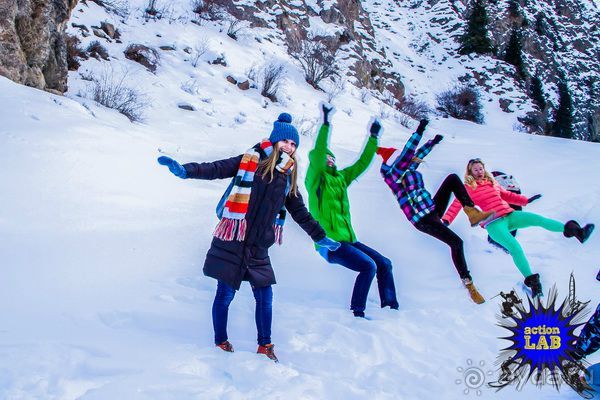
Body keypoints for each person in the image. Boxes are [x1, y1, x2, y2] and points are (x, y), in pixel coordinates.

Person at [157, 113, 340, 362]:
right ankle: (220, 342)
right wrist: (186, 171)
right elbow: (217, 168)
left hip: (258, 246)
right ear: (275, 141)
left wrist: (320, 236)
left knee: (265, 297)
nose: (290, 147)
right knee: (225, 294)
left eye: (294, 144)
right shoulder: (250, 160)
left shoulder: (288, 176)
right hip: (233, 239)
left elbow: (300, 213)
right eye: (286, 141)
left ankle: (265, 346)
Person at [376, 119, 494, 304]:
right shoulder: (393, 175)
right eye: (403, 160)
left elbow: (416, 155)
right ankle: (469, 284)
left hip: (432, 208)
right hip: (422, 219)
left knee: (452, 179)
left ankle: (472, 212)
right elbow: (409, 152)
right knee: (456, 243)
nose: (409, 161)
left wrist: (433, 142)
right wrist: (420, 130)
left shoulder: (406, 169)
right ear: (396, 161)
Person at [442, 158, 594, 298]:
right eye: (475, 169)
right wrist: (446, 220)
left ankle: (576, 232)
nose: (479, 172)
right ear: (470, 172)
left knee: (538, 219)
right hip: (494, 223)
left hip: (509, 215)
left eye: (481, 168)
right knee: (515, 247)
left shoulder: (492, 182)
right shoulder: (468, 188)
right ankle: (533, 281)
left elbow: (507, 195)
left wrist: (525, 200)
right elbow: (457, 204)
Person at [305, 103, 399, 318]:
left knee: (384, 264)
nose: (330, 159)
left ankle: (391, 308)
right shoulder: (316, 180)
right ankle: (357, 312)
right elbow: (319, 151)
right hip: (329, 242)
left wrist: (373, 137)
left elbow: (361, 163)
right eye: (326, 158)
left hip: (350, 239)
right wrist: (326, 123)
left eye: (332, 158)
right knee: (368, 266)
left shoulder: (341, 179)